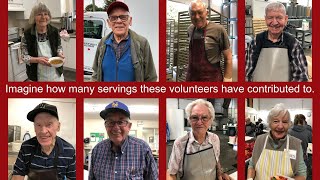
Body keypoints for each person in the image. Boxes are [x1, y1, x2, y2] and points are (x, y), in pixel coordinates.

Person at [89, 101, 158, 179]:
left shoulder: (143, 149)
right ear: (105, 126)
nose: (116, 128)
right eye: (110, 122)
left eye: (121, 122)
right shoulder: (97, 150)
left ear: (129, 126)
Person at [91, 1, 157, 82]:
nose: (118, 21)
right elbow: (96, 74)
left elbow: (151, 78)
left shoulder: (142, 43)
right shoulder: (102, 43)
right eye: (113, 18)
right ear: (109, 23)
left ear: (130, 21)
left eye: (123, 17)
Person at [167, 99, 231, 180]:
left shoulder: (214, 139)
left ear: (210, 120)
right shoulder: (180, 143)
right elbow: (172, 173)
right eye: (194, 117)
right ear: (189, 119)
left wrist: (220, 173)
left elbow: (216, 161)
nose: (199, 122)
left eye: (204, 117)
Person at [246, 2, 308, 82]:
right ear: (265, 19)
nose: (274, 22)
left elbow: (301, 77)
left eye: (279, 18)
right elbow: (247, 73)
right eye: (270, 18)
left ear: (285, 19)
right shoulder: (256, 41)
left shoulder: (293, 43)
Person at [12, 103, 76, 180]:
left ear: (58, 127)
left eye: (49, 124)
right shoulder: (26, 147)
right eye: (38, 125)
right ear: (34, 128)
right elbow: (17, 175)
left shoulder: (69, 150)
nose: (43, 131)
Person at [247, 103, 306, 180]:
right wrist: (250, 178)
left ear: (289, 124)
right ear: (269, 123)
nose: (280, 126)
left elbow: (302, 174)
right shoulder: (260, 140)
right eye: (276, 121)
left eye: (285, 122)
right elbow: (252, 165)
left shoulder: (296, 144)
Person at [186, 0, 232, 82]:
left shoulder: (218, 30)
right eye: (193, 13)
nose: (197, 17)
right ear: (189, 15)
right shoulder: (190, 29)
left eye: (200, 12)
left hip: (212, 78)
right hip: (192, 77)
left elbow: (228, 57)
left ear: (206, 13)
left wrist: (227, 79)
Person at [21, 2, 65, 82]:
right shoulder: (27, 34)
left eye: (46, 14)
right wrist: (37, 60)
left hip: (55, 73)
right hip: (37, 75)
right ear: (34, 17)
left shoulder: (54, 31)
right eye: (39, 14)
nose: (43, 17)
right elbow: (24, 57)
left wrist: (60, 54)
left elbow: (59, 46)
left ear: (49, 16)